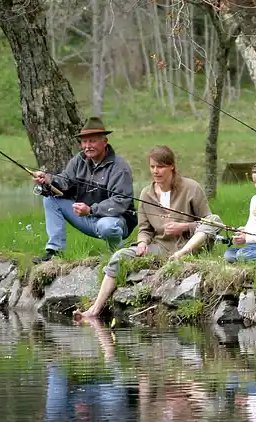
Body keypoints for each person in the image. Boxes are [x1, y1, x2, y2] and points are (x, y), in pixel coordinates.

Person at [74, 145, 223, 319]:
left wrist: (183, 227)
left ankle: (181, 255)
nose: (156, 171)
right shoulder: (146, 193)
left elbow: (207, 220)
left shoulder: (191, 188)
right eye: (152, 167)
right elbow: (144, 229)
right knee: (120, 255)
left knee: (215, 219)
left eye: (160, 167)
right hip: (161, 247)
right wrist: (143, 242)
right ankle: (94, 310)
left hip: (191, 246)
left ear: (172, 166)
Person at [30, 117, 137, 264]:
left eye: (92, 141)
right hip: (87, 216)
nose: (87, 146)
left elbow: (120, 202)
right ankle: (55, 251)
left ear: (104, 142)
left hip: (116, 221)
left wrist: (91, 210)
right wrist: (48, 180)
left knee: (106, 226)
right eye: (84, 142)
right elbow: (65, 181)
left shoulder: (119, 167)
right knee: (50, 199)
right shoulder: (79, 160)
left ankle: (119, 257)